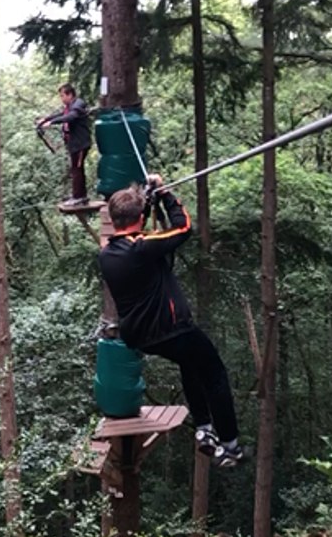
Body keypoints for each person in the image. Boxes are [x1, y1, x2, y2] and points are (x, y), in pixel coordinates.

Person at [97, 174, 246, 467]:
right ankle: (231, 445)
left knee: (191, 364)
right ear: (139, 219)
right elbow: (183, 228)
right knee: (215, 373)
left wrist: (148, 202)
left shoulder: (107, 254)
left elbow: (143, 237)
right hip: (170, 330)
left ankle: (205, 430)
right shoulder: (141, 248)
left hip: (142, 336)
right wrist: (165, 194)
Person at [37, 83, 92, 208]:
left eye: (62, 95)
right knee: (76, 169)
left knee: (77, 169)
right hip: (74, 144)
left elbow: (70, 117)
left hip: (81, 144)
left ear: (70, 95)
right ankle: (79, 195)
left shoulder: (78, 105)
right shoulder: (69, 106)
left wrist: (51, 123)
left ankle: (78, 197)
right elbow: (61, 114)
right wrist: (46, 119)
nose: (61, 98)